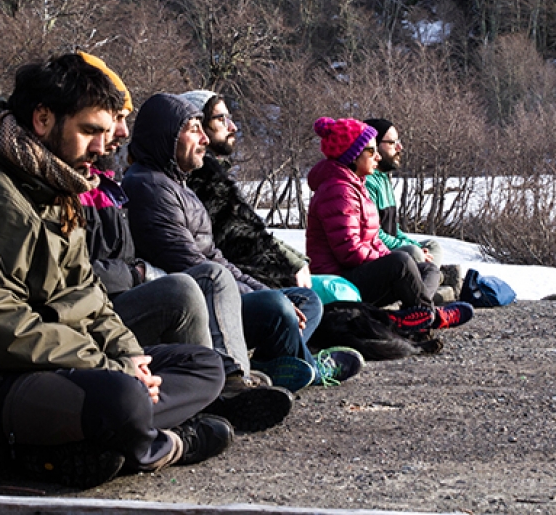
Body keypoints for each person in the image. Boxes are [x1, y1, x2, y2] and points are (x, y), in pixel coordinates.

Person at [0, 54, 232, 489]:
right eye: (90, 131)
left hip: (65, 367)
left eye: (105, 134)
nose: (100, 146)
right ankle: (163, 445)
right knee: (123, 398)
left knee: (204, 365)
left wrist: (128, 355)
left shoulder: (60, 184)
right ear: (42, 119)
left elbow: (89, 296)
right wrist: (108, 368)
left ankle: (81, 442)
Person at [74, 52, 293, 432]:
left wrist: (288, 270)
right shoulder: (143, 186)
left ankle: (233, 380)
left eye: (123, 120)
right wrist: (138, 273)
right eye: (112, 120)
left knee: (290, 300)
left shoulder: (109, 186)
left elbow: (249, 239)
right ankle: (228, 388)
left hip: (108, 307)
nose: (121, 133)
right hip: (83, 321)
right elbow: (73, 276)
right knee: (206, 284)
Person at [121, 93, 364, 389]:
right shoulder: (149, 187)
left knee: (305, 300)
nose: (205, 140)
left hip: (221, 290)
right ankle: (308, 367)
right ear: (167, 136)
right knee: (277, 305)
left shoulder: (178, 185)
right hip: (200, 305)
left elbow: (218, 257)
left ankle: (269, 365)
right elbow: (192, 266)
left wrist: (264, 291)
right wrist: (265, 298)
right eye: (194, 129)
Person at [306, 117, 473, 331]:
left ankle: (410, 317)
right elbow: (349, 252)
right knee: (402, 262)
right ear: (353, 155)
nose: (377, 157)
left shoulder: (355, 185)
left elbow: (373, 239)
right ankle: (428, 316)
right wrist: (390, 259)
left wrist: (392, 257)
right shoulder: (338, 191)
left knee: (428, 270)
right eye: (371, 151)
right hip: (339, 282)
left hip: (357, 272)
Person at [181, 89, 309, 289]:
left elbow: (254, 232)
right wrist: (293, 265)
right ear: (198, 126)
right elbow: (241, 239)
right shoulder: (203, 180)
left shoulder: (214, 175)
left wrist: (298, 261)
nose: (232, 127)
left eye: (229, 119)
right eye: (221, 119)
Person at [363, 118, 444, 266]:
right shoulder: (367, 182)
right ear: (374, 145)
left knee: (432, 246)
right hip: (379, 255)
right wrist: (414, 248)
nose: (399, 147)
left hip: (394, 250)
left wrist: (417, 246)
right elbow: (376, 235)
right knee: (414, 253)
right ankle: (431, 280)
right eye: (392, 142)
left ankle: (430, 277)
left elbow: (393, 229)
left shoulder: (384, 179)